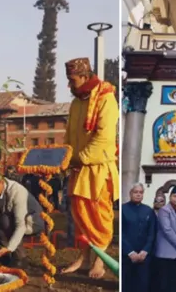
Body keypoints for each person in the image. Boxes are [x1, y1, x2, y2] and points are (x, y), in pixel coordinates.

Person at [60, 57, 119, 279]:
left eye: (72, 79)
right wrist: (65, 157)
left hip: (98, 169)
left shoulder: (106, 99)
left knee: (99, 217)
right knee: (80, 216)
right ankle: (83, 257)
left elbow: (104, 138)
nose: (69, 85)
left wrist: (79, 158)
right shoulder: (76, 103)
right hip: (78, 168)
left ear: (84, 77)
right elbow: (68, 136)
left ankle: (100, 262)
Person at [122, 183, 156, 292]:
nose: (138, 195)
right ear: (130, 193)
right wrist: (130, 252)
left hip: (144, 257)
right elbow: (121, 233)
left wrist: (145, 251)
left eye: (140, 192)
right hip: (127, 257)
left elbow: (152, 233)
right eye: (135, 192)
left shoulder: (149, 211)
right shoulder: (123, 209)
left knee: (142, 286)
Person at [153, 186, 176, 292]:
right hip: (166, 253)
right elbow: (167, 230)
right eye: (175, 196)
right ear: (170, 197)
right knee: (164, 284)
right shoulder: (164, 210)